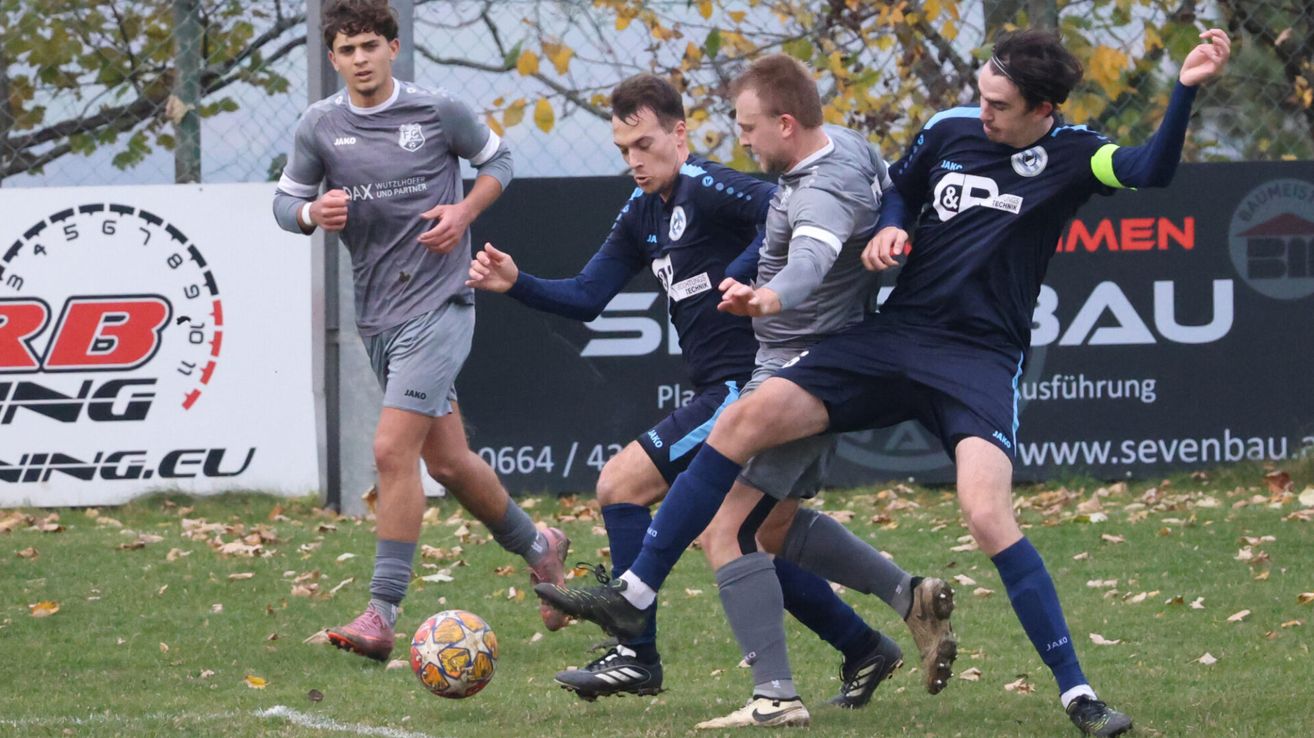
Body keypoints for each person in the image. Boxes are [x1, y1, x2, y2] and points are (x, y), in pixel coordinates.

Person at [539, 28, 1231, 736]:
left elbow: (1152, 169)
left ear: (1043, 109)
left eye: (999, 105)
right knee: (745, 417)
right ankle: (636, 592)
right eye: (982, 95)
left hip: (979, 361)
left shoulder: (1077, 153)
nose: (983, 113)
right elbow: (900, 184)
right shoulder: (951, 127)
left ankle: (1079, 695)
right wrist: (890, 229)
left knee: (987, 514)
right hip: (896, 336)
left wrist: (1184, 89)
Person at [468, 72, 937, 709]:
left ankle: (637, 652)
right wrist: (517, 281)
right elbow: (587, 297)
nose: (635, 160)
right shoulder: (642, 211)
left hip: (754, 382)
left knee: (626, 486)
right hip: (734, 385)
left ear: (680, 134)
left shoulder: (713, 187)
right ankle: (866, 642)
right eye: (624, 150)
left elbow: (789, 210)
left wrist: (752, 280)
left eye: (645, 144)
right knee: (762, 534)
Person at [271, 0, 569, 663]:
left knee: (390, 450)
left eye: (370, 46)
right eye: (347, 50)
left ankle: (381, 614)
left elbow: (500, 161)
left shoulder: (438, 110)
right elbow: (283, 202)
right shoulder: (320, 125)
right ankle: (539, 545)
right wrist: (311, 213)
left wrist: (463, 213)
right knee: (449, 462)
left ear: (393, 47)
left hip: (441, 304)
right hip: (378, 313)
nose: (360, 59)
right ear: (333, 58)